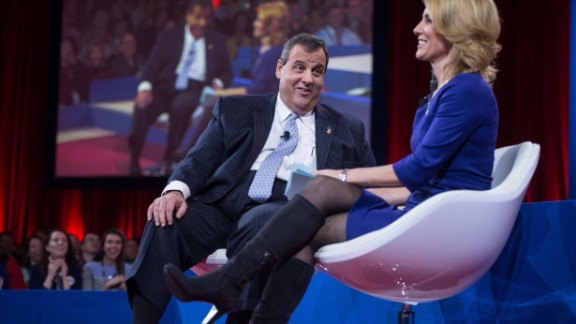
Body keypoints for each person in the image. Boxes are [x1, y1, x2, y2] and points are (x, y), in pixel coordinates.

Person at [162, 0, 502, 322]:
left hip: (439, 226)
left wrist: (341, 175)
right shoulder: (442, 93)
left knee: (324, 186)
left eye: (428, 19)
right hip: (422, 210)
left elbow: (418, 170)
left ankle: (227, 282)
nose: (417, 27)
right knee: (307, 225)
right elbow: (420, 181)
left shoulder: (466, 90)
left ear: (455, 27)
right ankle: (239, 295)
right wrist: (338, 183)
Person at [125, 33, 376, 323]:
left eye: (317, 71)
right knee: (164, 221)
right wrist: (175, 191)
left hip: (283, 209)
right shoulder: (236, 110)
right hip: (222, 204)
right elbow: (199, 159)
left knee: (265, 220)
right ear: (280, 68)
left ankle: (239, 314)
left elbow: (365, 186)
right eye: (299, 67)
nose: (308, 78)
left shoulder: (348, 129)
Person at [128, 0, 234, 176]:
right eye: (199, 16)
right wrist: (145, 89)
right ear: (189, 16)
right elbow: (151, 66)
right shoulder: (169, 36)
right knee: (142, 107)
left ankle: (169, 159)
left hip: (195, 88)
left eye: (206, 18)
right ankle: (133, 162)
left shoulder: (217, 40)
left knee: (181, 106)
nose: (202, 22)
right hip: (165, 87)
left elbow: (227, 72)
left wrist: (218, 82)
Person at [176, 0, 293, 159]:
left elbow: (256, 90)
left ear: (271, 25)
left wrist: (224, 92)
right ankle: (192, 155)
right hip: (258, 103)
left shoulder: (276, 52)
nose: (254, 23)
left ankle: (191, 156)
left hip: (266, 111)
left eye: (259, 20)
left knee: (219, 108)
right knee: (215, 108)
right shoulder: (266, 48)